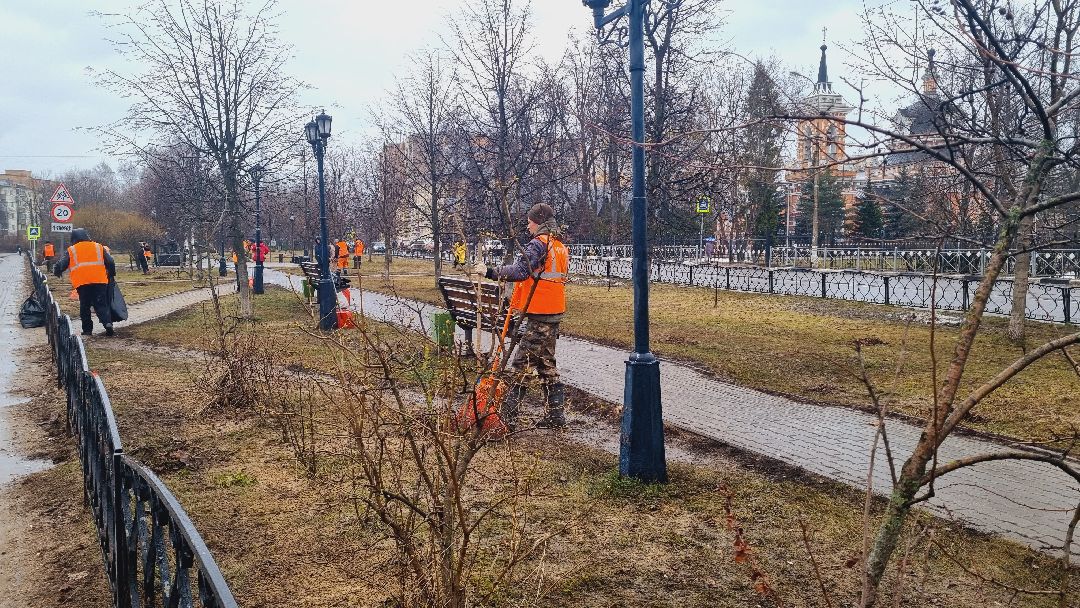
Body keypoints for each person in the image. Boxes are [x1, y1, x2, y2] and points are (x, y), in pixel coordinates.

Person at [472, 203, 569, 428]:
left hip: (540, 313)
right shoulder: (559, 246)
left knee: (521, 365)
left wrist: (490, 272)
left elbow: (520, 271)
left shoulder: (538, 244)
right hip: (553, 311)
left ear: (539, 222)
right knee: (546, 364)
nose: (528, 226)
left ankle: (508, 418)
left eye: (530, 222)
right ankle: (556, 417)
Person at [53, 228, 116, 336]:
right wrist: (111, 273)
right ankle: (107, 323)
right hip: (100, 280)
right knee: (101, 303)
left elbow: (61, 264)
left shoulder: (72, 249)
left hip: (82, 282)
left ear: (73, 238)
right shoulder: (98, 246)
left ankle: (87, 330)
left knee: (85, 305)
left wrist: (57, 271)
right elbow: (110, 261)